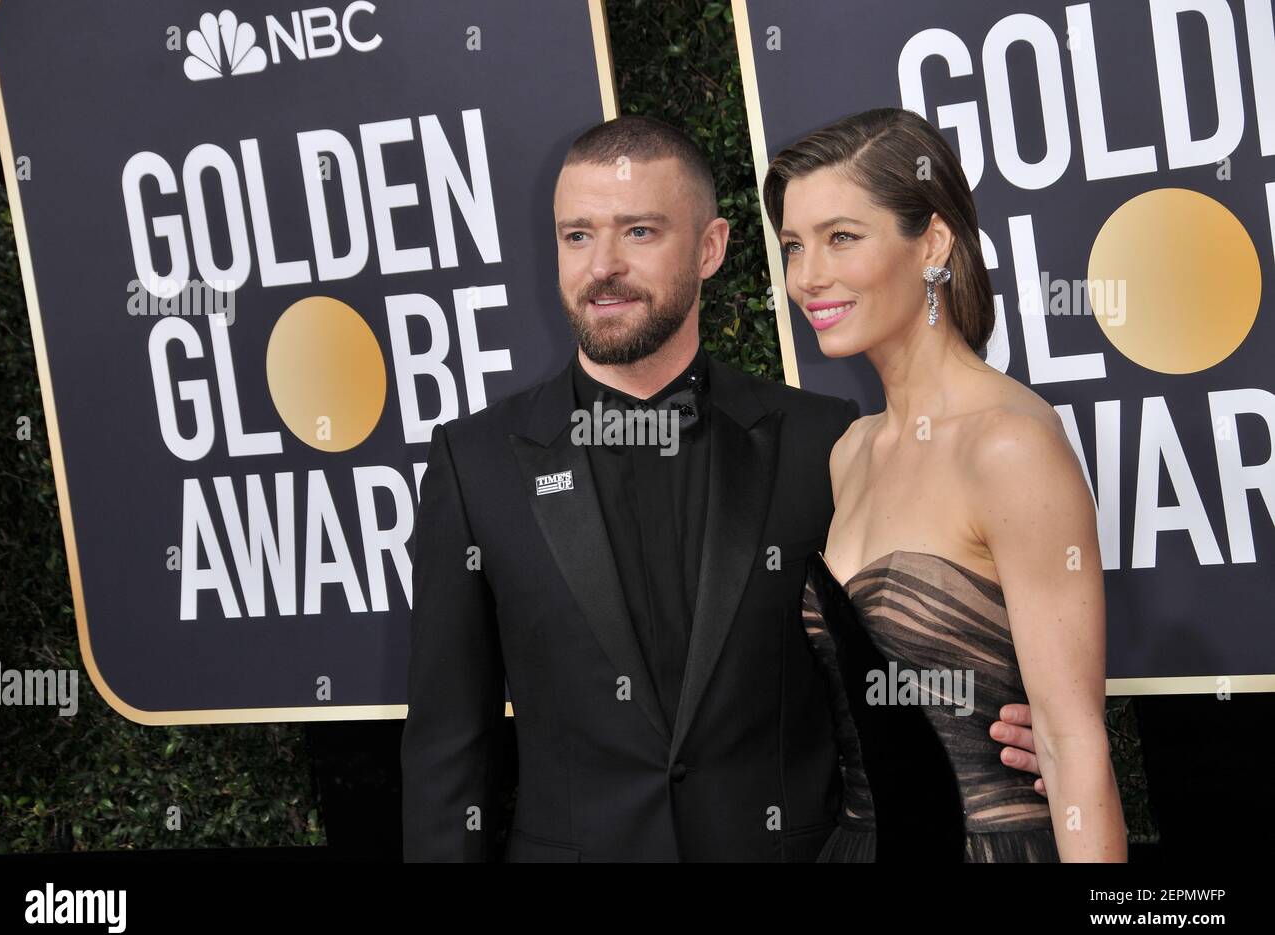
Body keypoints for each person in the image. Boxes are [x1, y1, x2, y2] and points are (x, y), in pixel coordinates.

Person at [401, 115, 1044, 862]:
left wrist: (999, 718)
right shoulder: (475, 462)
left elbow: (900, 654)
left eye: (638, 231)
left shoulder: (824, 442)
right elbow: (450, 747)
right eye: (577, 235)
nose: (601, 264)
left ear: (711, 249)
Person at [766, 107, 1127, 862]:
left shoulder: (1008, 445)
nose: (808, 276)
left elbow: (1070, 747)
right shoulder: (852, 452)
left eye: (841, 238)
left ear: (931, 242)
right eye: (794, 245)